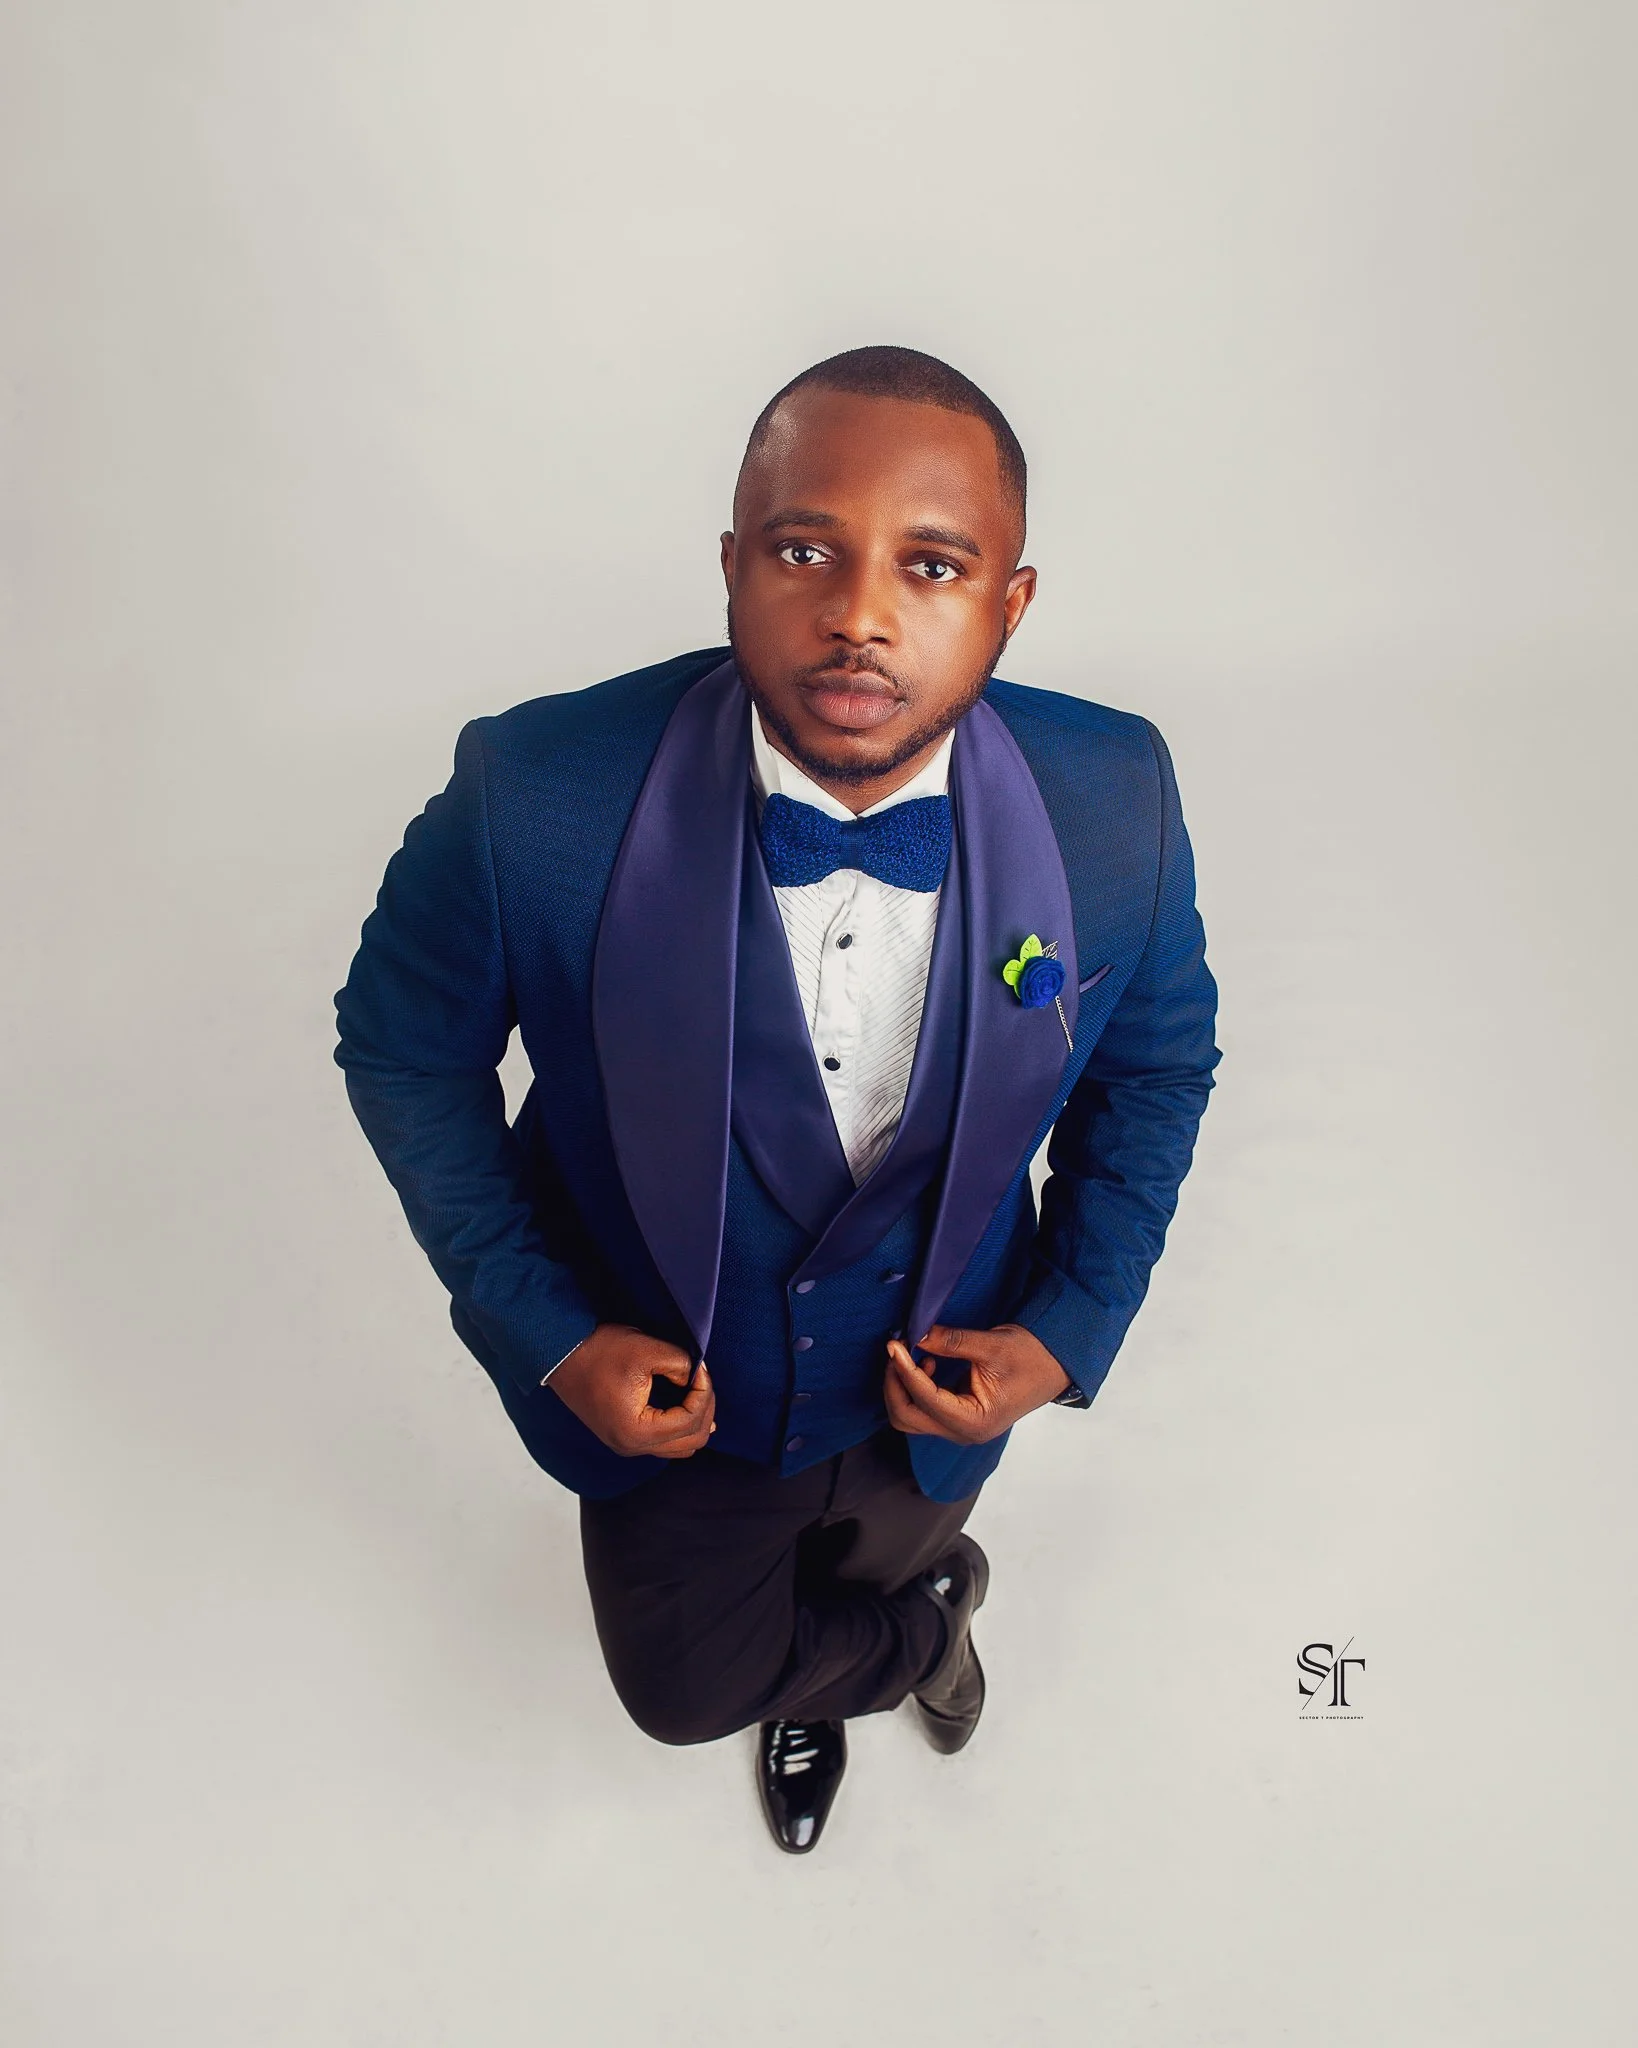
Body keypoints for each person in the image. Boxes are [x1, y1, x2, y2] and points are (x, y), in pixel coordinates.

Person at [334, 345, 1220, 1853]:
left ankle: (878, 1630)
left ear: (1007, 603)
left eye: (931, 566)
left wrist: (1063, 1334)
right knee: (685, 1688)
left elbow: (1155, 1070)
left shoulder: (1115, 794)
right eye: (805, 550)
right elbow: (402, 1052)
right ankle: (906, 1652)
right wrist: (548, 1335)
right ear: (734, 567)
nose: (860, 614)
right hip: (675, 1384)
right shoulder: (529, 796)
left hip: (941, 1380)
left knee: (879, 1553)